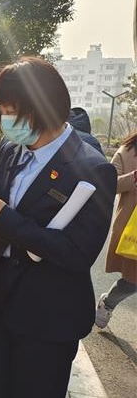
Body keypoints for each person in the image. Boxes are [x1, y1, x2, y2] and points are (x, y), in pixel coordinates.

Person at [0, 57, 116, 398]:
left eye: (11, 110)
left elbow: (77, 253)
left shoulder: (92, 168)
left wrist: (2, 218)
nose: (5, 119)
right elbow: (1, 212)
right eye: (3, 110)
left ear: (43, 109)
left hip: (47, 317)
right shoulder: (11, 149)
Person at [96, 131, 137, 328]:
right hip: (131, 229)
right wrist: (134, 177)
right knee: (132, 280)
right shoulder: (127, 151)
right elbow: (109, 184)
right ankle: (109, 302)